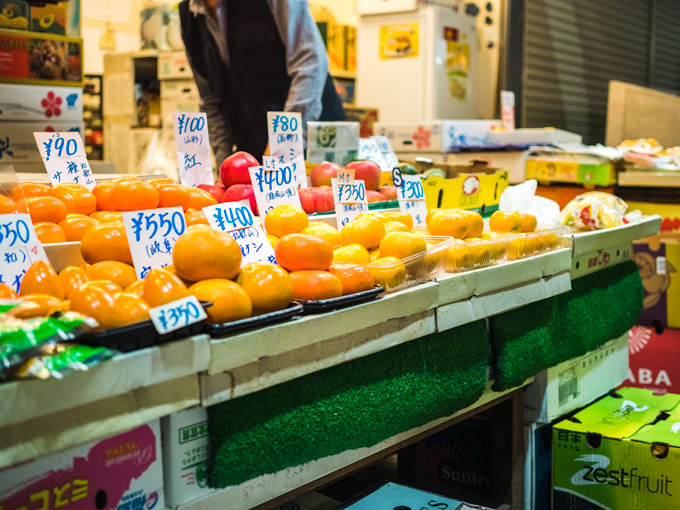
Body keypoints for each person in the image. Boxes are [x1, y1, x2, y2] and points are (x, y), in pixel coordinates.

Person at [179, 0, 346, 164]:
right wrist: (225, 166)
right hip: (255, 152)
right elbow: (211, 101)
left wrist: (282, 145)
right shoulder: (189, 16)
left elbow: (310, 63)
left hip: (315, 143)